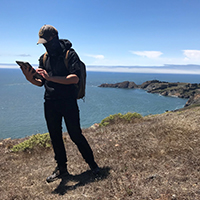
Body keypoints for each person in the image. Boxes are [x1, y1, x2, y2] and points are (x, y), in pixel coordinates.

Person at [21, 25, 99, 183]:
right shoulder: (43, 58)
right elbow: (41, 82)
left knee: (75, 135)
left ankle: (94, 166)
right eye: (42, 42)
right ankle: (62, 169)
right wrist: (30, 77)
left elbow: (74, 78)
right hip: (50, 102)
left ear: (54, 37)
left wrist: (50, 78)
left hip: (68, 101)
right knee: (55, 136)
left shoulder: (70, 54)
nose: (45, 45)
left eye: (46, 41)